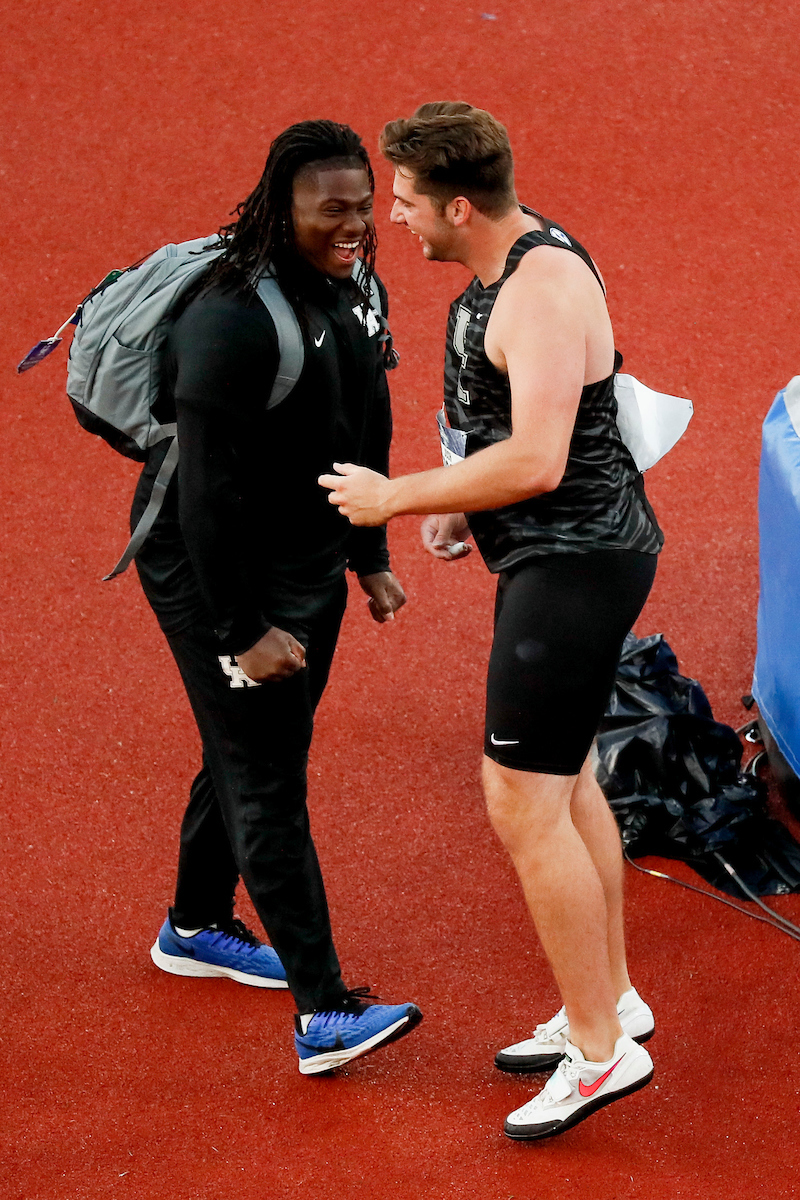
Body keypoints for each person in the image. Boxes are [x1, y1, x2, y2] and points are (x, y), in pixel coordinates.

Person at [319, 103, 662, 1134]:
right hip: (550, 558)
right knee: (566, 784)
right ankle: (611, 1004)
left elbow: (541, 458)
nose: (396, 218)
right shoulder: (502, 263)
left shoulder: (544, 290)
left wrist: (401, 495)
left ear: (457, 205)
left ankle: (600, 1056)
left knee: (518, 802)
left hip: (578, 565)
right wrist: (462, 505)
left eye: (407, 201)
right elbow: (504, 432)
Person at [135, 119, 421, 1075]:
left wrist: (369, 550)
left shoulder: (356, 285)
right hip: (213, 565)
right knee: (265, 770)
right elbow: (203, 496)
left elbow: (364, 414)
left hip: (303, 555)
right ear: (278, 207)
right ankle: (324, 1010)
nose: (353, 223)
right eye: (329, 208)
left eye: (362, 204)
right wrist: (241, 630)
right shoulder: (227, 320)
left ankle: (195, 924)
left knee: (259, 742)